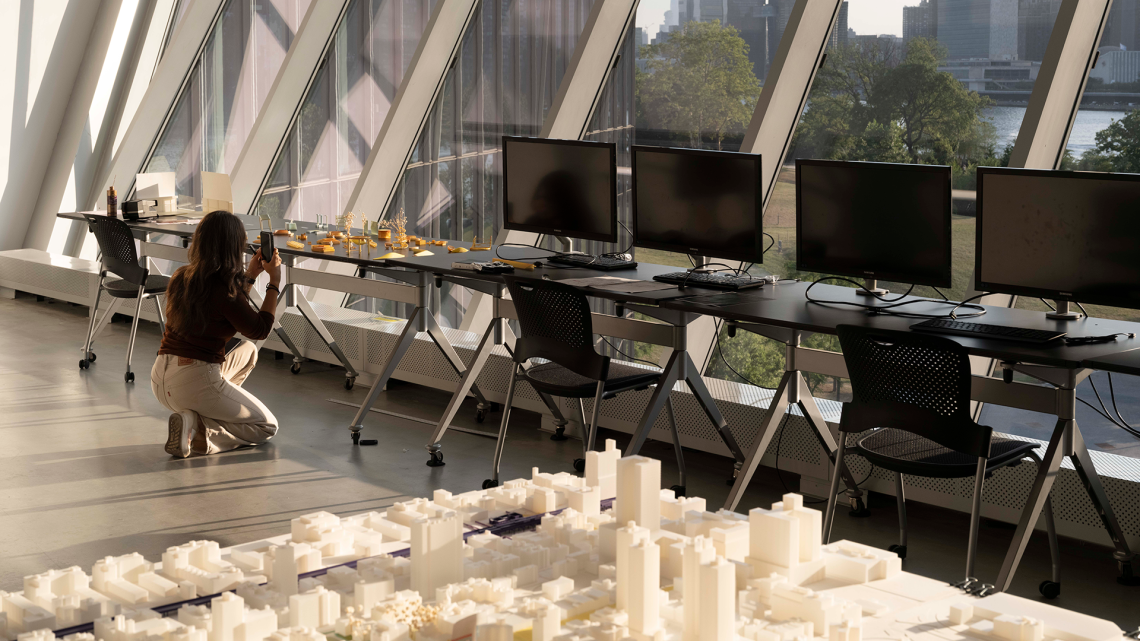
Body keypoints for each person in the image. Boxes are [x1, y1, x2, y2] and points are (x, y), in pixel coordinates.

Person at [151, 210, 282, 458]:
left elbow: (226, 306)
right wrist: (274, 281)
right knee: (266, 426)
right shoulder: (224, 289)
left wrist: (250, 276)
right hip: (193, 381)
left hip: (160, 377)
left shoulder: (180, 277)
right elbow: (260, 329)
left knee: (247, 351)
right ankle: (203, 428)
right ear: (233, 247)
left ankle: (198, 413)